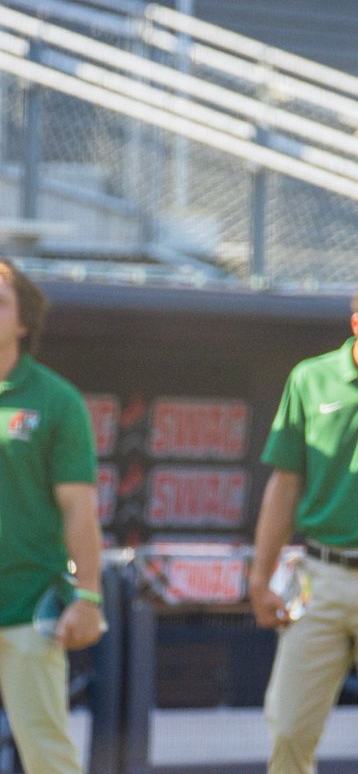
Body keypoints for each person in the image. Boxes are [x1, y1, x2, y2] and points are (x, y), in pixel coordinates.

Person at [247, 273, 358, 774]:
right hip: (317, 574)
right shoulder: (309, 378)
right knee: (288, 727)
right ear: (356, 326)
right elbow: (284, 484)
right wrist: (260, 576)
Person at [0, 259, 104, 774]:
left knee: (47, 757)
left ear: (23, 322)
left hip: (26, 611)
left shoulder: (55, 399)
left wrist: (87, 596)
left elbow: (77, 507)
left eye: (0, 301)